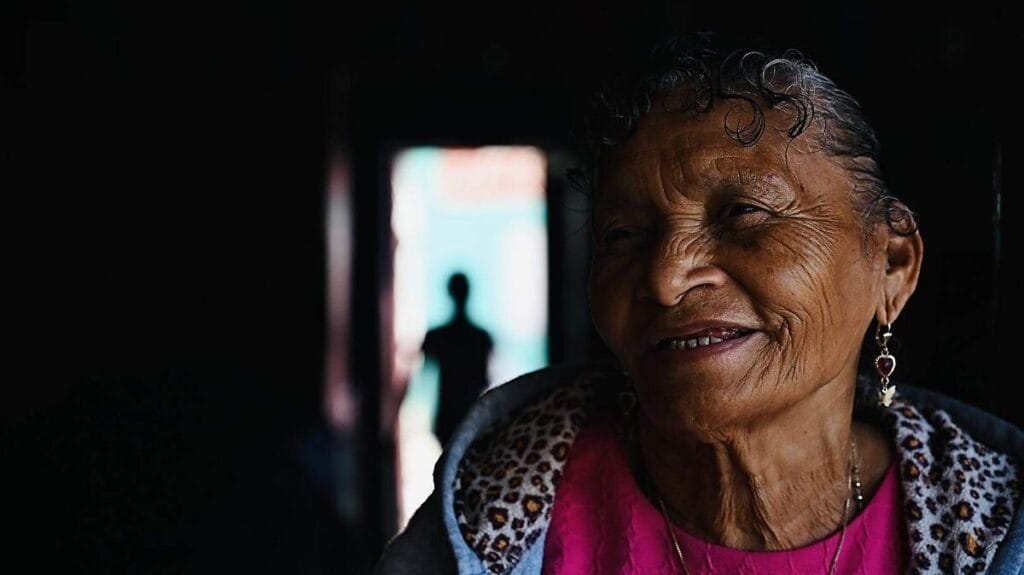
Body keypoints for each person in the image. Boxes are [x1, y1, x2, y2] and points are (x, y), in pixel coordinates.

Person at [376, 35, 1022, 574]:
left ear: (892, 265)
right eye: (623, 236)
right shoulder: (496, 514)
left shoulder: (992, 527)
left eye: (743, 213)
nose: (664, 278)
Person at [422, 272, 494, 446]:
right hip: (472, 415)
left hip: (447, 415)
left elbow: (423, 374)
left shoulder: (437, 337)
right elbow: (484, 379)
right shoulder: (481, 337)